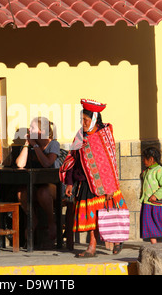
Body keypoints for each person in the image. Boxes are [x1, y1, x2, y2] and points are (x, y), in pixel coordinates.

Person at [60, 99, 129, 257]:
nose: (83, 123)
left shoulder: (104, 134)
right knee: (92, 217)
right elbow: (72, 159)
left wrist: (110, 186)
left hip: (105, 184)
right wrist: (69, 183)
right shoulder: (80, 136)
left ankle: (117, 239)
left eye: (86, 119)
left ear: (95, 119)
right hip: (86, 183)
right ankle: (92, 247)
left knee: (110, 213)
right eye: (81, 119)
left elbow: (110, 160)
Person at [15, 117, 61, 249]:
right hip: (34, 185)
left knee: (43, 192)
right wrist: (26, 144)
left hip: (53, 186)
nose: (29, 130)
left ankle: (52, 222)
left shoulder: (54, 144)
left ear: (43, 131)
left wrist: (35, 146)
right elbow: (20, 164)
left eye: (33, 128)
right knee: (20, 194)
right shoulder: (30, 146)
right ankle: (33, 218)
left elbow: (47, 163)